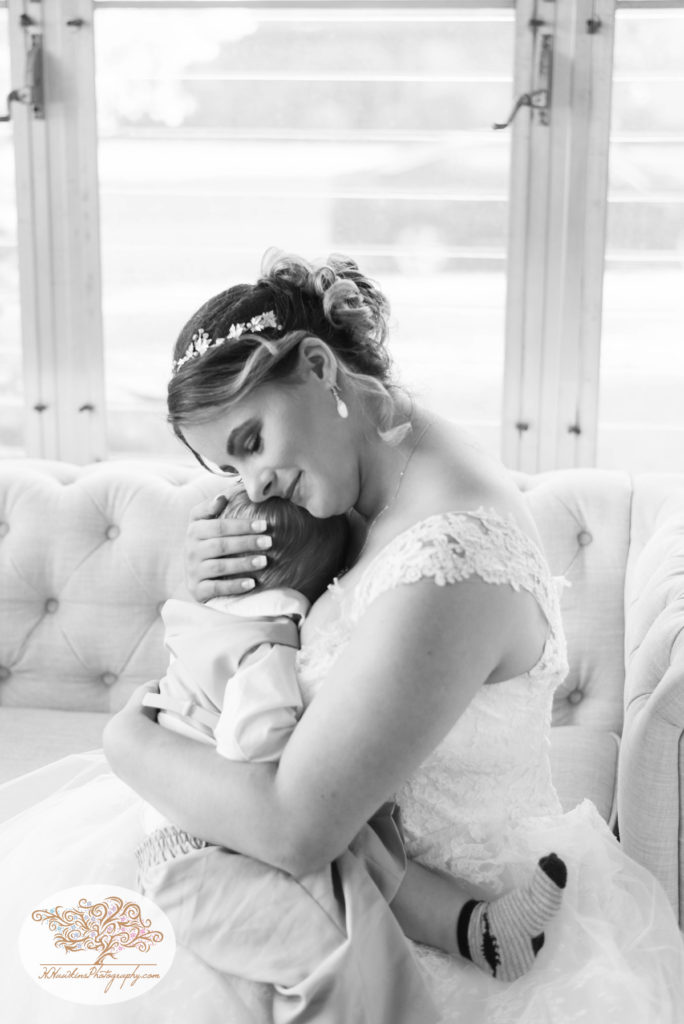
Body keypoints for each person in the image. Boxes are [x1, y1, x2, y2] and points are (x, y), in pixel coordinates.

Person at [0, 248, 682, 1024]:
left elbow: (297, 828)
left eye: (251, 442)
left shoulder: (449, 560)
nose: (251, 485)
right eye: (228, 467)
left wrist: (129, 743)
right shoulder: (364, 483)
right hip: (312, 882)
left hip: (399, 932)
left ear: (320, 366)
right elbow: (262, 673)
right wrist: (219, 583)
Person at [136, 485, 568, 1023]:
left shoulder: (206, 621)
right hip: (208, 847)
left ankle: (479, 932)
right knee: (334, 956)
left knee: (360, 841)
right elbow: (248, 740)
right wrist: (312, 740)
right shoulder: (264, 645)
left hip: (198, 822)